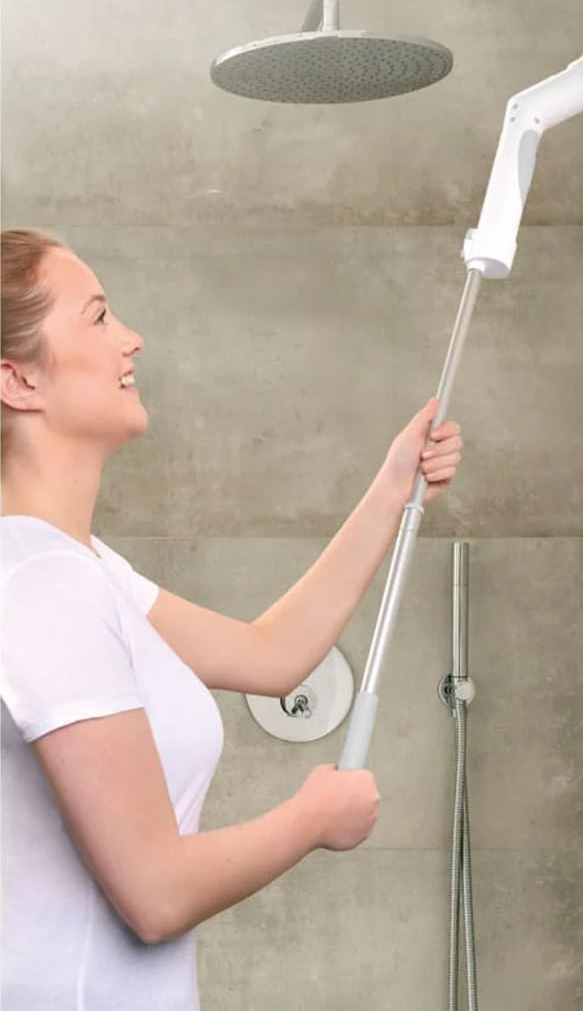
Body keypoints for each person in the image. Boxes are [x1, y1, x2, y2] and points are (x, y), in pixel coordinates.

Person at [0, 227, 464, 1010]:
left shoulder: (81, 566)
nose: (131, 338)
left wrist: (391, 486)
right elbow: (153, 894)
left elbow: (270, 652)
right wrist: (313, 816)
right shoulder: (42, 584)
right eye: (99, 316)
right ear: (18, 380)